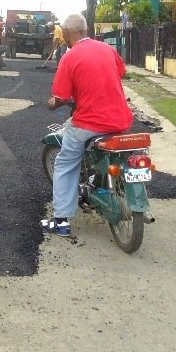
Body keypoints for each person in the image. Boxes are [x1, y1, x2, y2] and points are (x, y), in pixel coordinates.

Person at [42, 13, 134, 237]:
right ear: (86, 30)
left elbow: (62, 96)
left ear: (65, 34)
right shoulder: (107, 49)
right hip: (120, 121)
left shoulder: (70, 57)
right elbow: (120, 73)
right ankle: (99, 183)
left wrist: (53, 104)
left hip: (88, 124)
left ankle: (61, 222)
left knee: (65, 163)